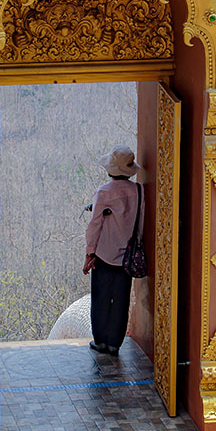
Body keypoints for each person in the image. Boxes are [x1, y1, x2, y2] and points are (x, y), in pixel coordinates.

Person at [83, 145, 143, 358]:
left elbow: (95, 226)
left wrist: (89, 253)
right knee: (121, 299)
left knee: (100, 298)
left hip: (104, 253)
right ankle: (115, 343)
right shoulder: (139, 191)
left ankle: (101, 341)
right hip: (127, 256)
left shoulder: (104, 192)